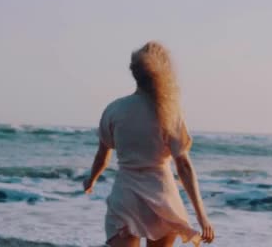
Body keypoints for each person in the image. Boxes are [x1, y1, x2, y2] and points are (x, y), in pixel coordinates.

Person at [84, 41, 215, 247]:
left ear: (134, 72)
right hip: (163, 198)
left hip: (125, 197)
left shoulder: (115, 109)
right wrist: (202, 216)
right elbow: (184, 166)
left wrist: (91, 180)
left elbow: (102, 155)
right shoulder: (168, 112)